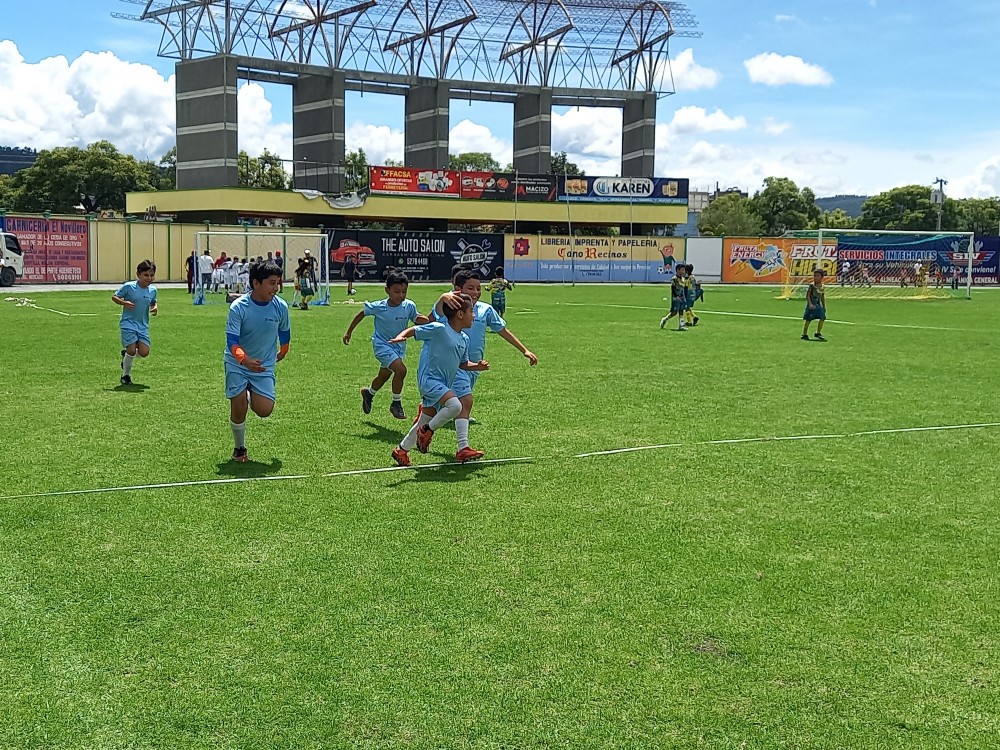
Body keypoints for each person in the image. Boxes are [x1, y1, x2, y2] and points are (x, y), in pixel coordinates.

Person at [427, 270, 537, 449]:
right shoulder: (451, 308)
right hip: (455, 364)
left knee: (444, 406)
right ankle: (463, 447)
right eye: (470, 288)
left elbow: (502, 330)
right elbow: (432, 318)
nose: (476, 292)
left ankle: (420, 427)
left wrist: (524, 350)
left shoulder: (486, 310)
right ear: (457, 289)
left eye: (478, 288)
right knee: (466, 401)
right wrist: (443, 298)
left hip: (474, 366)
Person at [388, 293, 489, 466]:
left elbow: (463, 364)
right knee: (456, 405)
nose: (474, 315)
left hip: (443, 384)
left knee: (424, 420)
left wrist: (476, 366)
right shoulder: (440, 328)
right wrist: (401, 336)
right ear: (460, 314)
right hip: (429, 380)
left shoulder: (464, 338)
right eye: (471, 311)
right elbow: (415, 329)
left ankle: (401, 450)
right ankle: (427, 431)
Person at [224, 260, 290, 463]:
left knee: (264, 410)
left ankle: (250, 394)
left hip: (263, 365)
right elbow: (232, 341)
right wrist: (245, 360)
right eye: (271, 283)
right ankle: (239, 448)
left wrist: (284, 351)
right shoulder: (239, 307)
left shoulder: (281, 307)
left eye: (277, 283)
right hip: (237, 363)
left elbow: (284, 333)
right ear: (256, 283)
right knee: (238, 405)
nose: (276, 288)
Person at [343, 270, 428, 420]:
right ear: (387, 290)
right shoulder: (380, 306)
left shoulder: (409, 305)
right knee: (401, 370)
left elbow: (416, 318)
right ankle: (396, 403)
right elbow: (362, 313)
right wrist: (349, 331)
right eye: (396, 292)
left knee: (383, 376)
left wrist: (430, 321)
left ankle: (368, 393)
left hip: (398, 347)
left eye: (404, 292)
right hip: (382, 345)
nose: (401, 295)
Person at [113, 259, 158, 385]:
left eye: (151, 275)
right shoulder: (129, 287)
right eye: (146, 275)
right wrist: (123, 302)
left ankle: (126, 355)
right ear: (138, 275)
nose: (149, 278)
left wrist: (155, 307)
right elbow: (114, 297)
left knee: (144, 352)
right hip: (128, 323)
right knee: (132, 350)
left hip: (142, 325)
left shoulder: (153, 290)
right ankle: (125, 376)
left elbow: (153, 301)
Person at [660, 264, 687, 330]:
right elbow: (673, 288)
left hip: (682, 297)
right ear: (678, 270)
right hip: (676, 298)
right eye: (682, 270)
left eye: (684, 270)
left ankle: (681, 325)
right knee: (674, 312)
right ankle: (665, 319)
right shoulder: (674, 279)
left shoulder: (683, 279)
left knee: (681, 310)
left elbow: (684, 288)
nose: (684, 271)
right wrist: (676, 296)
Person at [802, 269, 827, 341]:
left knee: (822, 318)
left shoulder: (822, 286)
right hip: (812, 305)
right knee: (808, 319)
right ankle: (804, 334)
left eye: (818, 276)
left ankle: (818, 333)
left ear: (822, 277)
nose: (816, 277)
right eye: (815, 276)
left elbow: (822, 296)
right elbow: (808, 295)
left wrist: (824, 306)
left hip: (818, 305)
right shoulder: (812, 286)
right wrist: (810, 304)